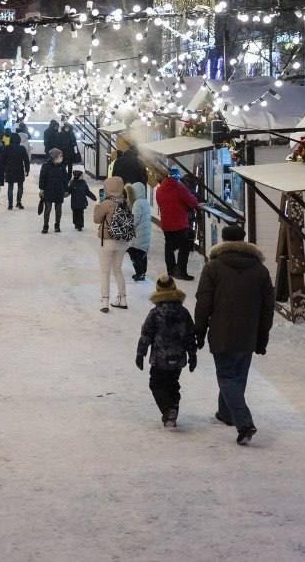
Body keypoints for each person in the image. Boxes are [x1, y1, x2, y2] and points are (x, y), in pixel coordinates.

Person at [195, 223, 275, 446]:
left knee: (227, 377)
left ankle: (244, 423)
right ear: (243, 239)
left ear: (223, 239)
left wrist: (199, 331)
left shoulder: (213, 267)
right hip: (247, 333)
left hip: (221, 331)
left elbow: (203, 303)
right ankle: (226, 413)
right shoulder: (260, 270)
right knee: (238, 375)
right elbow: (268, 306)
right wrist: (262, 336)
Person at [136, 275, 198, 428]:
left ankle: (168, 409)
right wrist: (192, 355)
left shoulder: (155, 313)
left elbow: (146, 335)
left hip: (160, 359)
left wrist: (140, 354)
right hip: (178, 358)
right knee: (173, 383)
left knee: (156, 384)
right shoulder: (183, 312)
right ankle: (173, 408)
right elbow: (190, 335)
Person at [94, 176, 133, 313]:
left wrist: (99, 203)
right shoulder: (126, 202)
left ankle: (105, 301)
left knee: (105, 271)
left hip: (108, 241)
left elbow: (96, 219)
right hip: (123, 242)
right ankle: (122, 299)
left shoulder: (106, 203)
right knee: (118, 269)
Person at [156, 169, 199, 280]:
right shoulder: (179, 187)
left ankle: (171, 270)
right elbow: (192, 202)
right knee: (184, 248)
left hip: (166, 223)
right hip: (179, 223)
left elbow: (161, 204)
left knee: (169, 247)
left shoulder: (160, 189)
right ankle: (181, 272)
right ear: (177, 177)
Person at [126, 181, 153, 282]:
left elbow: (135, 219)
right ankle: (142, 273)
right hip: (145, 234)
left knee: (134, 253)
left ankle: (139, 273)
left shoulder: (137, 203)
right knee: (142, 254)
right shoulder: (145, 202)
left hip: (139, 235)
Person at [38, 147, 68, 233]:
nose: (61, 158)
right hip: (49, 191)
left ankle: (57, 225)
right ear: (54, 157)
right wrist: (42, 189)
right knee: (48, 209)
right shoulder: (46, 166)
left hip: (59, 191)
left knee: (58, 210)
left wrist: (65, 189)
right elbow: (42, 178)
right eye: (60, 156)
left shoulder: (62, 167)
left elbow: (65, 179)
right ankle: (45, 226)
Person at [3, 132, 31, 210]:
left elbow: (3, 159)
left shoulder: (7, 148)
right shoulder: (22, 148)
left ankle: (10, 204)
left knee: (10, 187)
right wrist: (27, 170)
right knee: (20, 187)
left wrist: (4, 170)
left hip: (10, 170)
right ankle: (18, 202)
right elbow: (26, 160)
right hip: (19, 170)